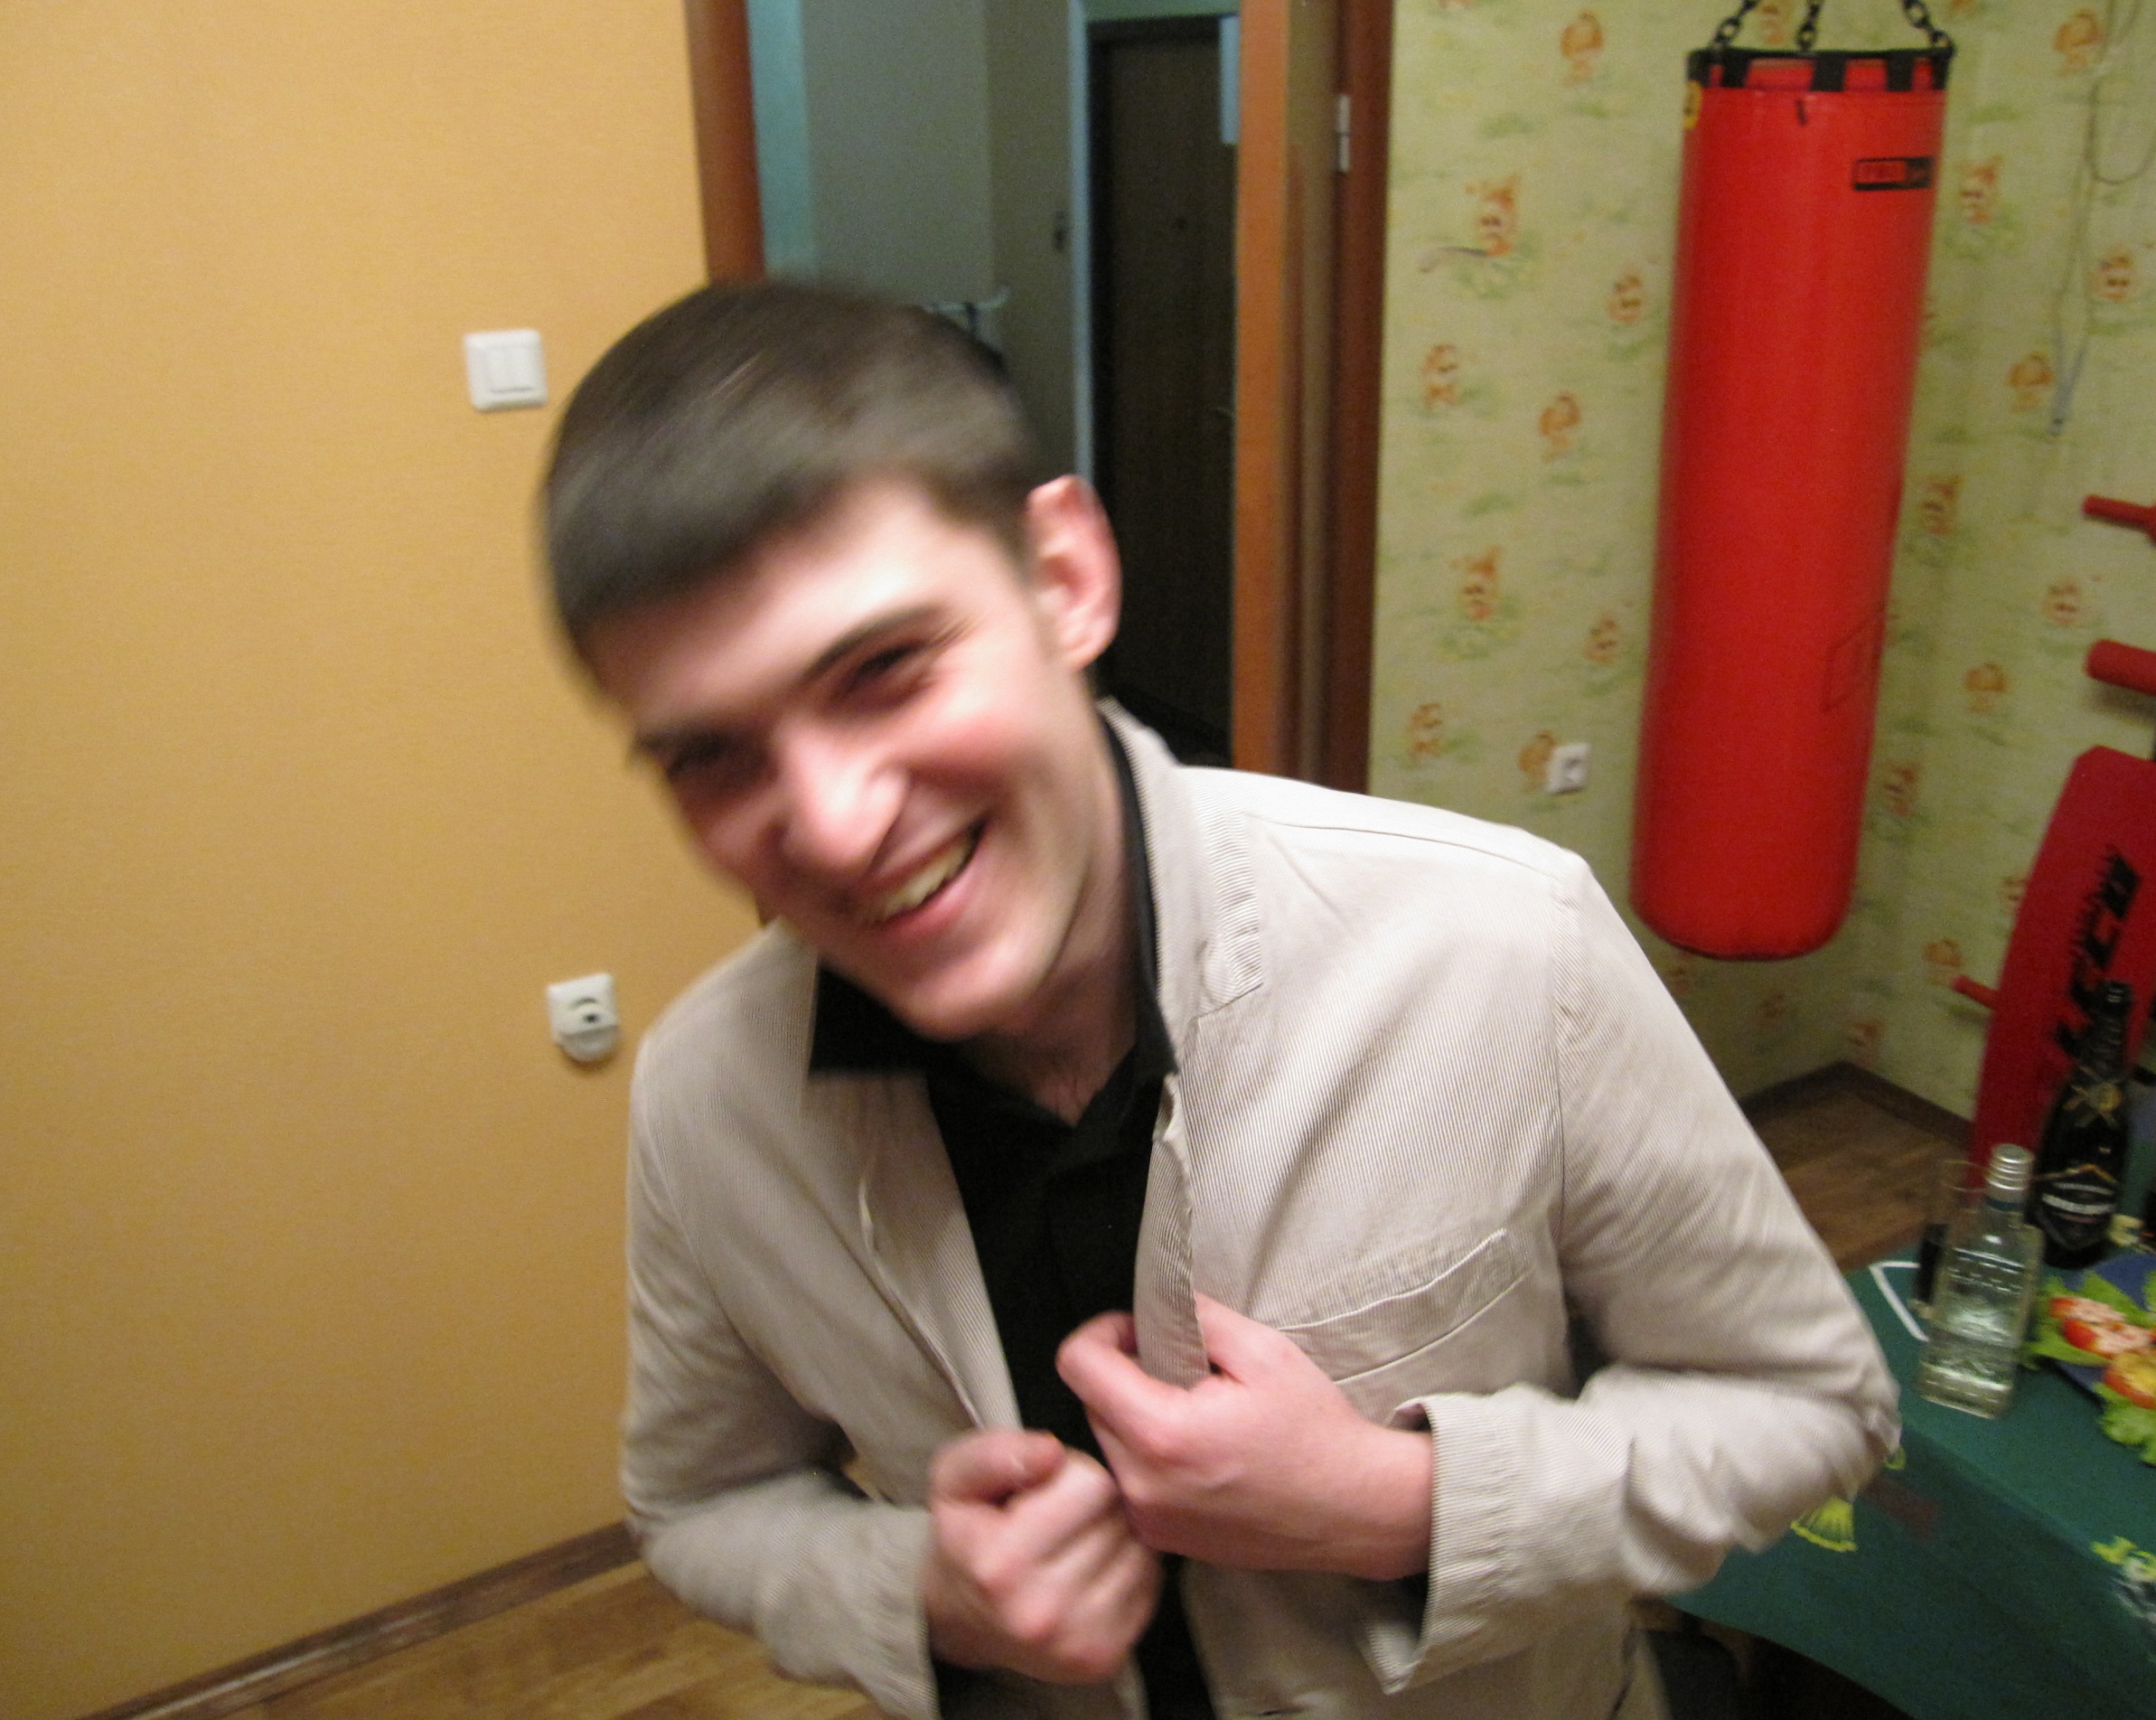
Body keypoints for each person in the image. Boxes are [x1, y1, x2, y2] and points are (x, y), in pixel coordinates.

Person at [542, 280, 1898, 1720]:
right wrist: (921, 1592)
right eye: (713, 757)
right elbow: (701, 1506)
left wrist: (1402, 1505)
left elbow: (1813, 1408)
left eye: (884, 669)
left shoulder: (1502, 947)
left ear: (1064, 577)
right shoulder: (708, 1101)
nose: (830, 825)